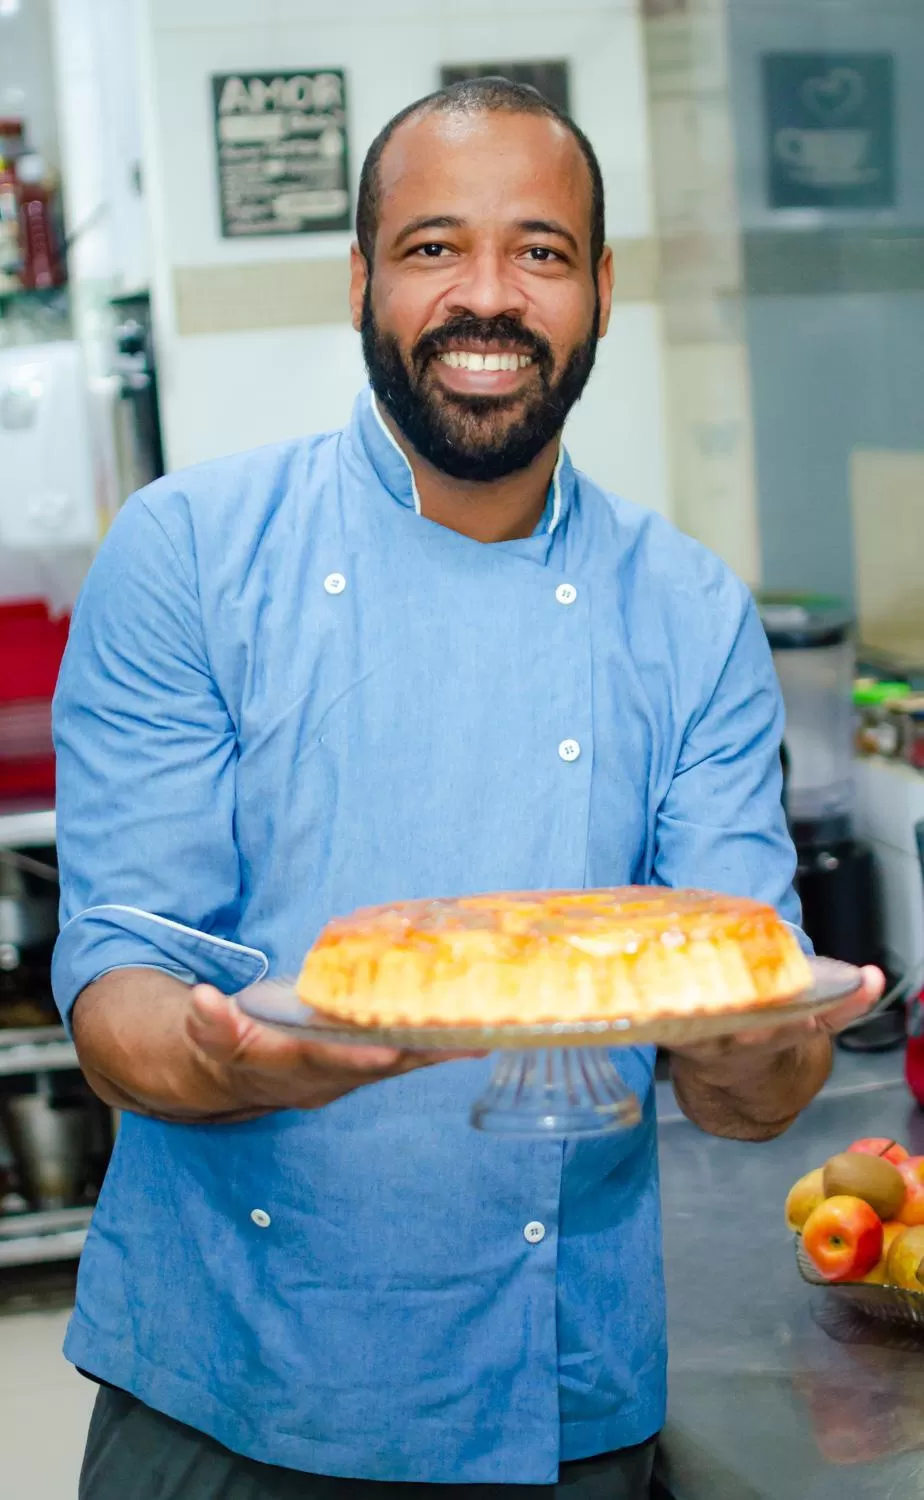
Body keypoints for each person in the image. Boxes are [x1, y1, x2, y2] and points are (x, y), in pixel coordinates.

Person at [52, 79, 881, 1500]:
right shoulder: (189, 554)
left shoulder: (686, 610)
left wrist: (774, 1039)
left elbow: (752, 1070)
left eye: (541, 252)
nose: (486, 298)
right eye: (434, 248)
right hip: (230, 1397)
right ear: (362, 280)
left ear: (604, 291)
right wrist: (235, 1059)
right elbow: (119, 991)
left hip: (561, 1403)